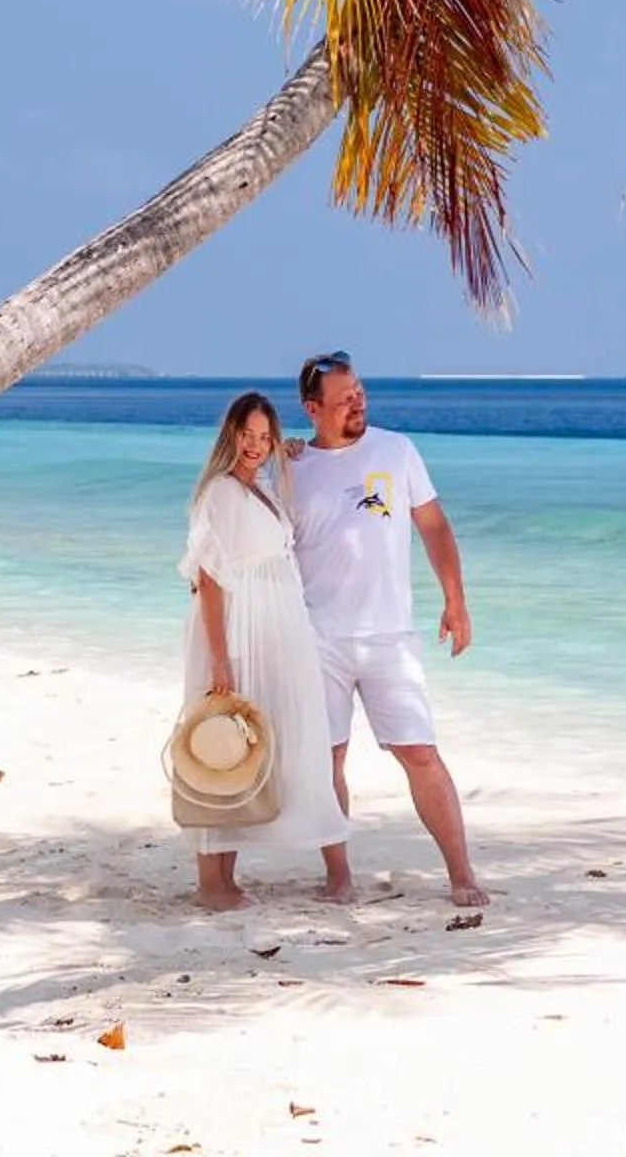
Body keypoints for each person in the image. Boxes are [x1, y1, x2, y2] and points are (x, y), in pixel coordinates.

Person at [288, 351, 488, 907]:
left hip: (389, 636)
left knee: (420, 753)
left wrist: (456, 600)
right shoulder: (292, 467)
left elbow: (434, 525)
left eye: (360, 392)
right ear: (312, 408)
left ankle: (462, 874)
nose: (358, 402)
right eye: (345, 397)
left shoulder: (396, 450)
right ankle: (338, 877)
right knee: (327, 757)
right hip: (317, 636)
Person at [177, 390, 347, 910]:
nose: (253, 445)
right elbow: (208, 580)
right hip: (237, 632)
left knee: (251, 752)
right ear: (228, 435)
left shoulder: (261, 487)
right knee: (223, 748)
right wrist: (220, 658)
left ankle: (226, 879)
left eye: (262, 436)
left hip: (276, 630)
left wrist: (290, 449)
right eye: (245, 435)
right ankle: (212, 884)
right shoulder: (221, 494)